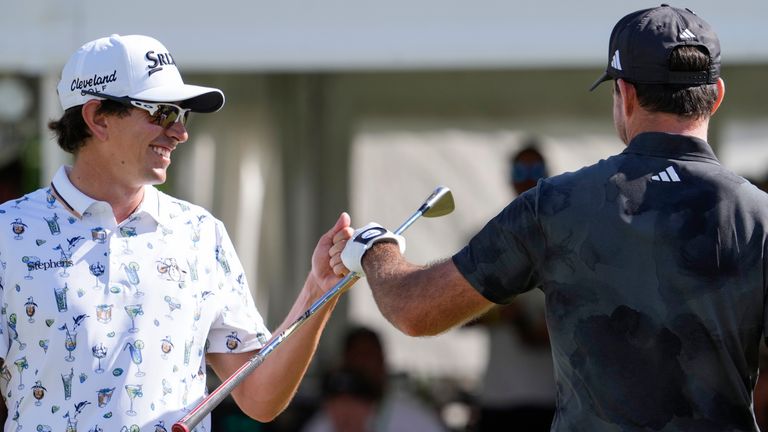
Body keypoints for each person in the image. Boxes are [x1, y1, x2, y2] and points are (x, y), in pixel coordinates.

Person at [331, 5, 768, 430]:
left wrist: (375, 248)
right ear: (716, 95)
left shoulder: (556, 206)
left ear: (626, 95)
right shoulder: (760, 216)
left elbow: (414, 310)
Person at [0, 34, 347, 432]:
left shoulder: (201, 233)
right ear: (97, 118)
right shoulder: (7, 234)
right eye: (163, 113)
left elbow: (261, 398)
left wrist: (318, 292)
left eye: (184, 116)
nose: (179, 132)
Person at [469, 143, 555, 431]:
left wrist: (516, 318)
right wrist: (500, 313)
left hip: (553, 397)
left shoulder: (566, 240)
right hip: (499, 396)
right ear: (510, 177)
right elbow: (455, 315)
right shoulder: (487, 238)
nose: (528, 177)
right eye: (521, 170)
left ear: (548, 175)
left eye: (535, 170)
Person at [302, 326, 446, 432]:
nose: (346, 412)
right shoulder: (321, 425)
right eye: (337, 404)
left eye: (371, 358)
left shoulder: (414, 418)